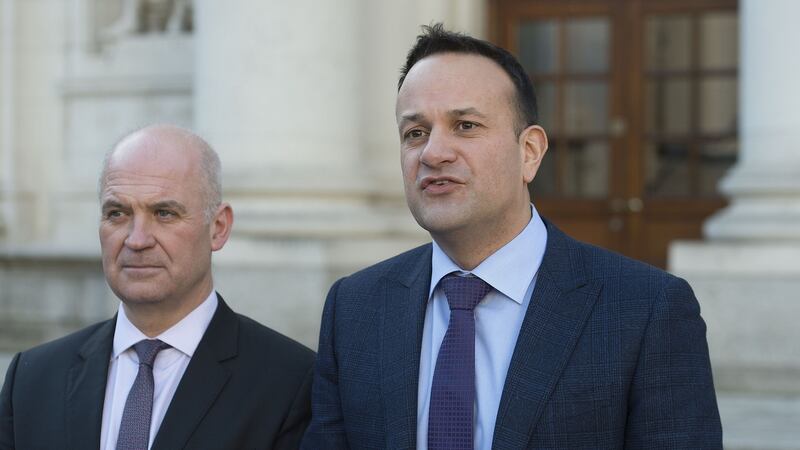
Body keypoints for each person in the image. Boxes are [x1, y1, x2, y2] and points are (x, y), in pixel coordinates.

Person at [302, 24, 722, 449]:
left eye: (465, 125)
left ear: (530, 152)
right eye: (415, 132)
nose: (433, 153)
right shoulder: (354, 307)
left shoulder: (646, 310)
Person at [0, 124, 314, 450]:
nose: (137, 240)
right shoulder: (33, 378)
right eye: (117, 213)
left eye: (164, 213)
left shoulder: (289, 382)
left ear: (218, 228)